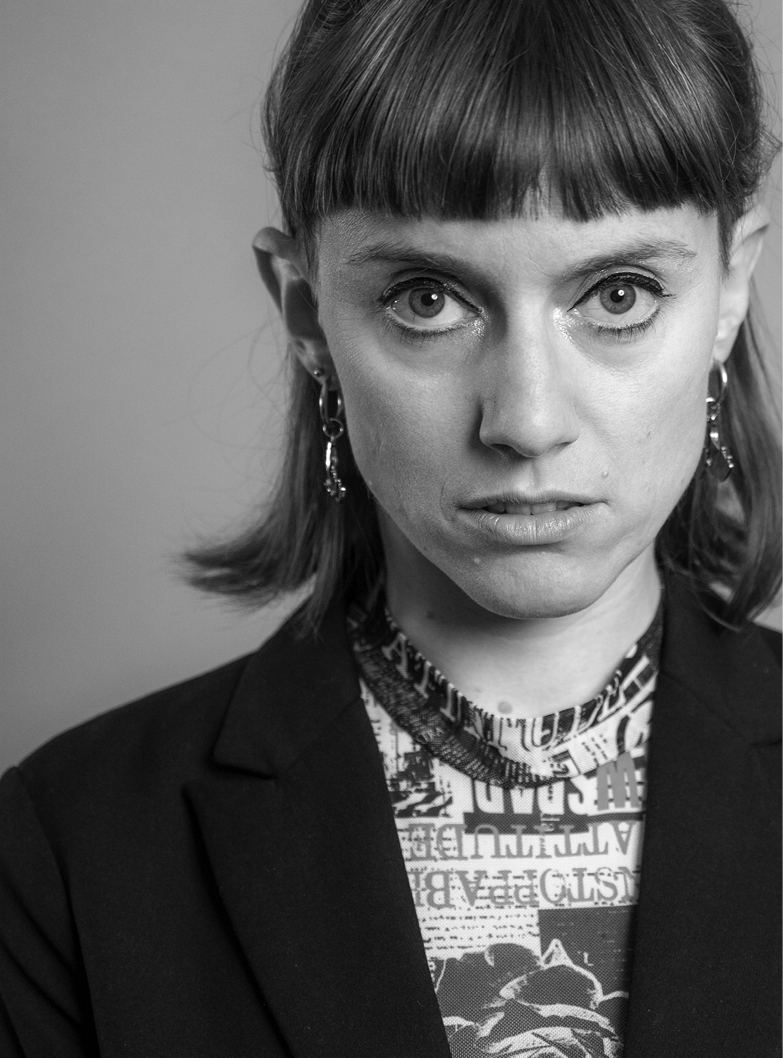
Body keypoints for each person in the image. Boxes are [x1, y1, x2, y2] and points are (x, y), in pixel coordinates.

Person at [0, 0, 780, 1055]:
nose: (526, 420)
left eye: (618, 294)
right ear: (308, 313)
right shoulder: (65, 850)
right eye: (427, 300)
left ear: (730, 290)